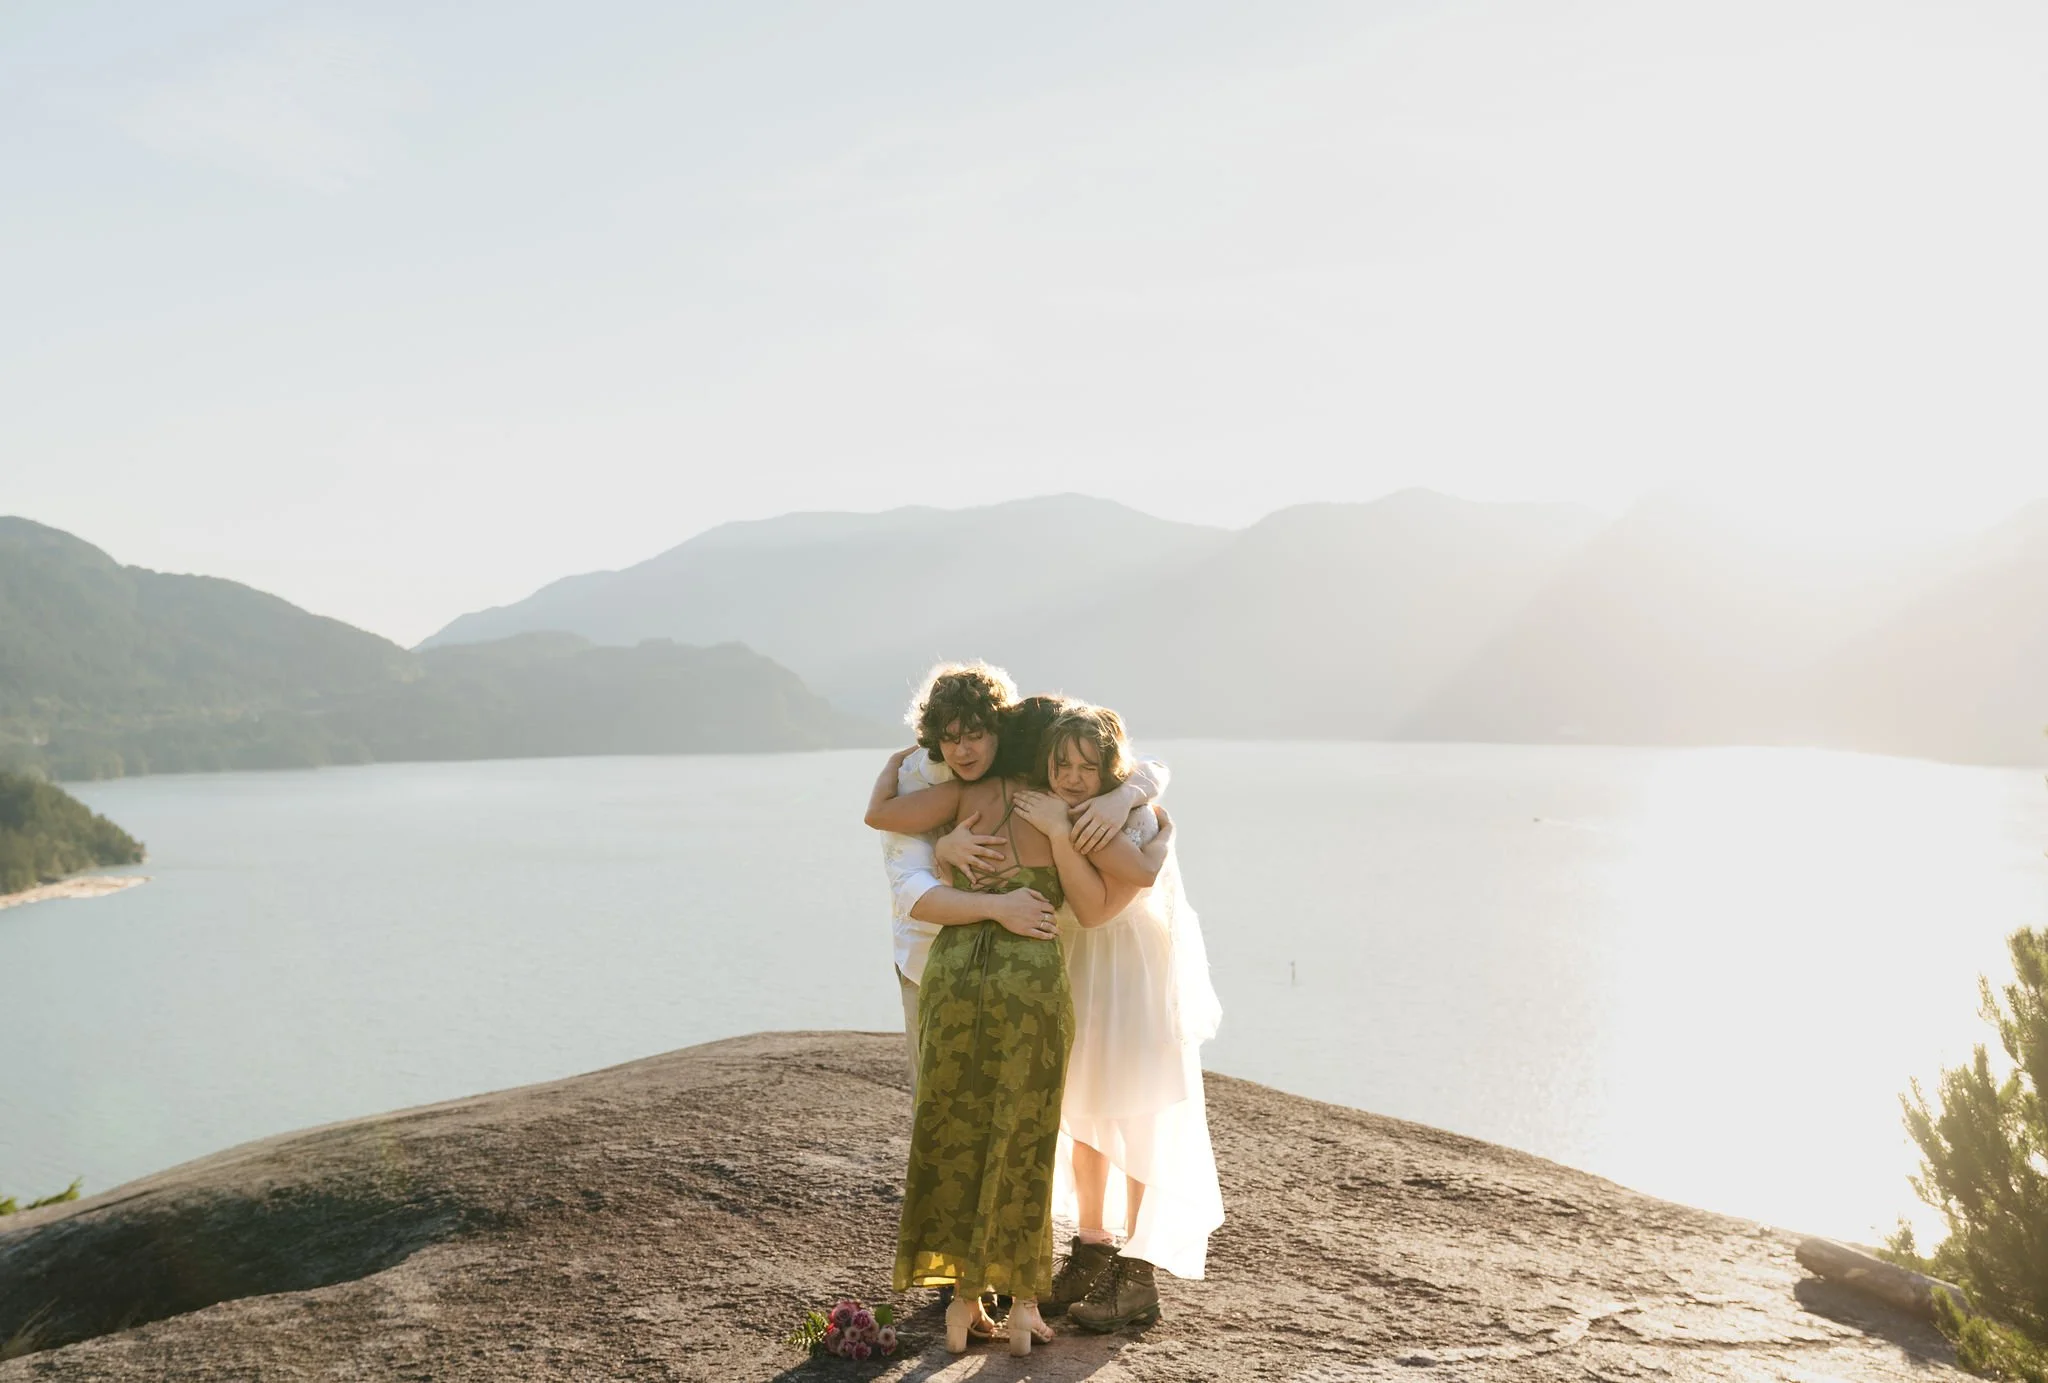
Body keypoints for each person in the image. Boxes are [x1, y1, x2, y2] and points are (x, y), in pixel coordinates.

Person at [865, 702, 1170, 1356]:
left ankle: (960, 1300)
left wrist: (902, 781)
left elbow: (882, 813)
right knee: (1024, 1139)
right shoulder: (1060, 813)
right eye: (1063, 760)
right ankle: (1024, 1308)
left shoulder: (961, 796)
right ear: (1047, 755)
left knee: (950, 1130)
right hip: (1026, 981)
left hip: (952, 972)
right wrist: (1140, 835)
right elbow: (1101, 901)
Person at [1016, 706, 1224, 1334]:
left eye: (1088, 765)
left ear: (1110, 768)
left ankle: (1137, 1275)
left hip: (1127, 960)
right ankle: (1091, 1248)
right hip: (1077, 963)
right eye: (1063, 763)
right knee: (1083, 1113)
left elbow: (1100, 906)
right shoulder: (1047, 801)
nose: (1074, 776)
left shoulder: (1127, 812)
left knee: (1134, 1117)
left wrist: (1061, 831)